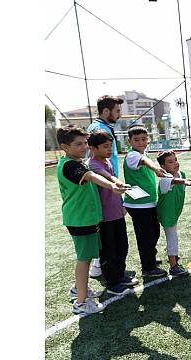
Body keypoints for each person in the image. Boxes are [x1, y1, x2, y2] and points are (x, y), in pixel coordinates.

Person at [56, 125, 126, 314]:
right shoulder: (70, 165)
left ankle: (79, 288)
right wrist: (112, 186)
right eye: (78, 144)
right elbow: (92, 176)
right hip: (80, 219)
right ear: (64, 146)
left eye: (85, 143)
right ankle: (80, 302)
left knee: (86, 257)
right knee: (84, 259)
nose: (84, 147)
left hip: (86, 218)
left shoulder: (76, 162)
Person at [87, 129, 136, 296]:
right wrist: (120, 183)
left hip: (116, 213)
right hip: (104, 218)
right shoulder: (93, 164)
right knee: (108, 251)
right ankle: (112, 283)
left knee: (122, 246)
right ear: (93, 148)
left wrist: (123, 205)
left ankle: (120, 276)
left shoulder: (107, 161)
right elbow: (107, 177)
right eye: (105, 146)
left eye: (111, 146)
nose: (109, 150)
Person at [123, 126, 170, 278]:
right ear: (129, 141)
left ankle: (150, 258)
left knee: (153, 232)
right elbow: (143, 161)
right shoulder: (132, 156)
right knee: (145, 236)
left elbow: (144, 159)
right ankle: (148, 267)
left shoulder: (142, 153)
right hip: (138, 205)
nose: (141, 142)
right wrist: (155, 168)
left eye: (143, 139)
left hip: (148, 202)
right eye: (136, 140)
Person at [86, 95, 124, 278]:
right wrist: (111, 180)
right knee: (107, 236)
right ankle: (100, 266)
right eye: (117, 111)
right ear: (106, 111)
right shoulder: (98, 129)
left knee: (116, 237)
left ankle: (109, 268)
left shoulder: (104, 127)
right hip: (105, 187)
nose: (120, 114)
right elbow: (93, 163)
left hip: (111, 184)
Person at [156, 150, 191, 276]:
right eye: (170, 162)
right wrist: (184, 181)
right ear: (163, 167)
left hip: (175, 212)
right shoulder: (164, 178)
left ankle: (172, 256)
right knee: (172, 237)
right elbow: (173, 181)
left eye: (175, 160)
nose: (175, 163)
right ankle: (173, 266)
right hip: (166, 213)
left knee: (172, 236)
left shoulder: (181, 173)